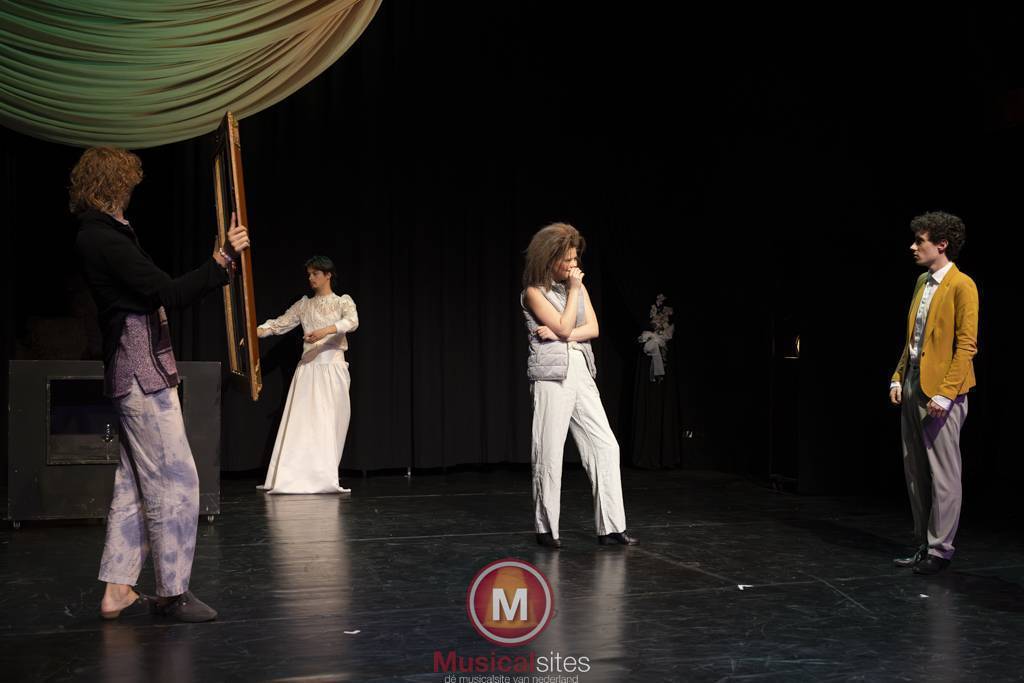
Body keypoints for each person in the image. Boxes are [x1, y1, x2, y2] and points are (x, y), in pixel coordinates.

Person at [73, 146, 249, 621]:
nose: (131, 193)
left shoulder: (107, 233)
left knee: (134, 484)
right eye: (127, 185)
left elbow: (158, 289)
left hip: (141, 365)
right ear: (113, 186)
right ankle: (172, 592)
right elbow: (166, 291)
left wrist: (218, 262)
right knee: (176, 480)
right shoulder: (102, 238)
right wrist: (221, 262)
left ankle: (117, 589)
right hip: (139, 371)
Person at [520, 222, 637, 549]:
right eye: (567, 259)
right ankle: (546, 528)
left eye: (575, 259)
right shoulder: (534, 292)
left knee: (605, 445)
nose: (574, 265)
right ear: (550, 259)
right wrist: (571, 299)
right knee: (549, 450)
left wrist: (562, 334)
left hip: (581, 369)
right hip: (551, 374)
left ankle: (611, 527)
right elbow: (564, 323)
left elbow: (592, 329)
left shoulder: (578, 286)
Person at [889, 211, 979, 575]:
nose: (913, 247)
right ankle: (923, 544)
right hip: (914, 383)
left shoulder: (962, 285)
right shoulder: (921, 282)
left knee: (944, 474)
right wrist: (898, 376)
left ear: (942, 244)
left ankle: (941, 550)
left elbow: (967, 346)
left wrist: (946, 393)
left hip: (943, 392)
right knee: (915, 470)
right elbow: (914, 338)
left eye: (920, 241)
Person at [256, 256, 358, 494]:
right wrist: (257, 330)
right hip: (308, 369)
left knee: (330, 423)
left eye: (315, 273)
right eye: (309, 274)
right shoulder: (304, 305)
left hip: (332, 367)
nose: (311, 278)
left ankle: (322, 476)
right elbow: (279, 324)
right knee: (303, 424)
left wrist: (324, 331)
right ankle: (295, 476)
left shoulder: (342, 302)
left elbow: (352, 322)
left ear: (328, 275)